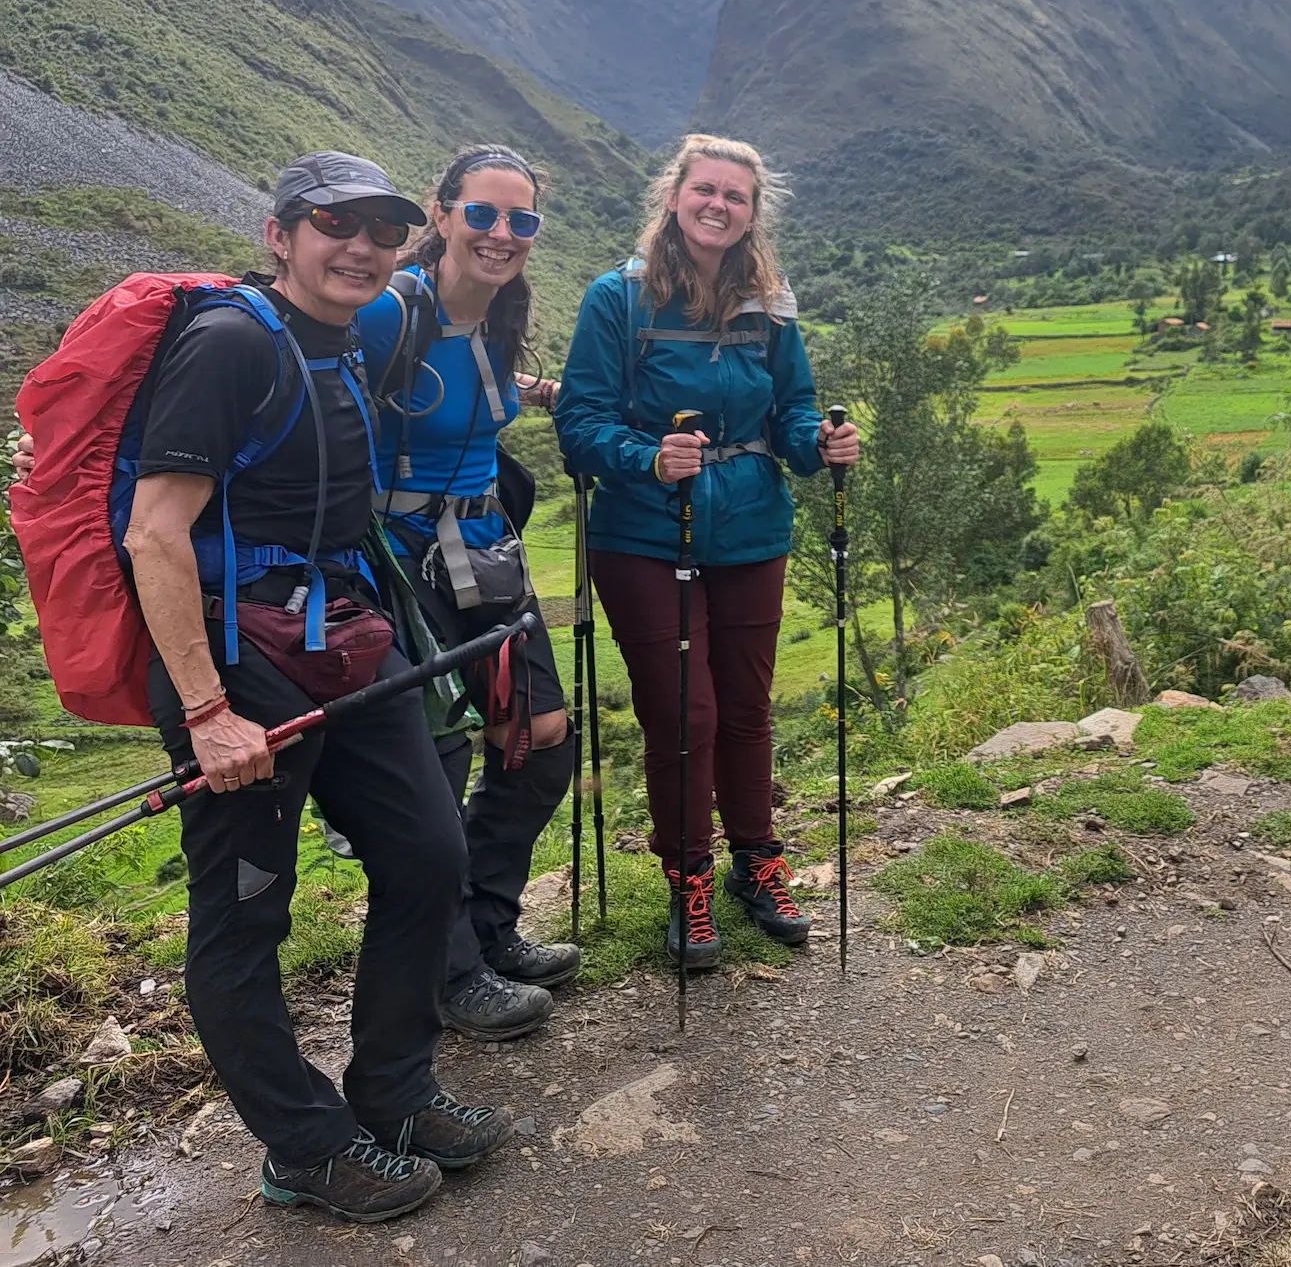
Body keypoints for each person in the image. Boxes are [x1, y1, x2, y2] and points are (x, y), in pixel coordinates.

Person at [123, 153, 508, 1222]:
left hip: (345, 633)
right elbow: (154, 533)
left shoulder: (339, 344)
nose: (362, 247)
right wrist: (207, 712)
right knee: (247, 910)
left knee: (428, 852)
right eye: (336, 224)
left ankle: (393, 1094)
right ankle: (302, 1146)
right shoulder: (232, 343)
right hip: (236, 659)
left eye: (383, 231)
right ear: (279, 234)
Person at [554, 136, 859, 968]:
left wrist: (820, 442)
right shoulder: (618, 298)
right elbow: (579, 423)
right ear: (675, 196)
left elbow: (791, 411)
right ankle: (688, 877)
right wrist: (646, 456)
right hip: (642, 533)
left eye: (736, 195)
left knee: (746, 709)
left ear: (753, 213)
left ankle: (757, 863)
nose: (719, 205)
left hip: (752, 527)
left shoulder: (770, 303)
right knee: (684, 714)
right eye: (706, 190)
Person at [358, 145, 580, 1041]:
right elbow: (295, 371)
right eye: (482, 213)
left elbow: (468, 393)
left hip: (484, 554)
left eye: (520, 220)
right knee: (436, 771)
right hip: (401, 567)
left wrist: (538, 391)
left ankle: (488, 928)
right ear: (442, 213)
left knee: (540, 738)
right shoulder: (388, 310)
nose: (501, 233)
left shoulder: (496, 316)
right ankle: (451, 974)